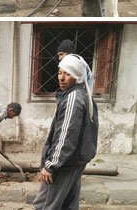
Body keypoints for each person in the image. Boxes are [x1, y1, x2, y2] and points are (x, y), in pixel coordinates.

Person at [33, 54, 98, 210]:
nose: (61, 78)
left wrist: (51, 165)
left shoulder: (73, 99)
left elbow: (66, 136)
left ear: (77, 75)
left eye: (67, 73)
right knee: (67, 205)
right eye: (60, 72)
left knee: (44, 205)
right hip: (75, 161)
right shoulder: (81, 94)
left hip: (64, 164)